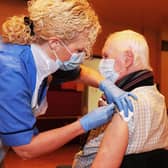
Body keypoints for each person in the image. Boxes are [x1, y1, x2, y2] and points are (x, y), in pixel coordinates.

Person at [0, 0, 135, 167]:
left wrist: (107, 85)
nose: (82, 57)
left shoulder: (41, 55)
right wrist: (84, 124)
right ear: (55, 43)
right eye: (79, 50)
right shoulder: (11, 70)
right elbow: (25, 148)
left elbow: (81, 72)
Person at [72, 30, 168, 168]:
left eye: (106, 56)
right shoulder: (158, 99)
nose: (101, 64)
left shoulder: (124, 104)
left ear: (127, 59)